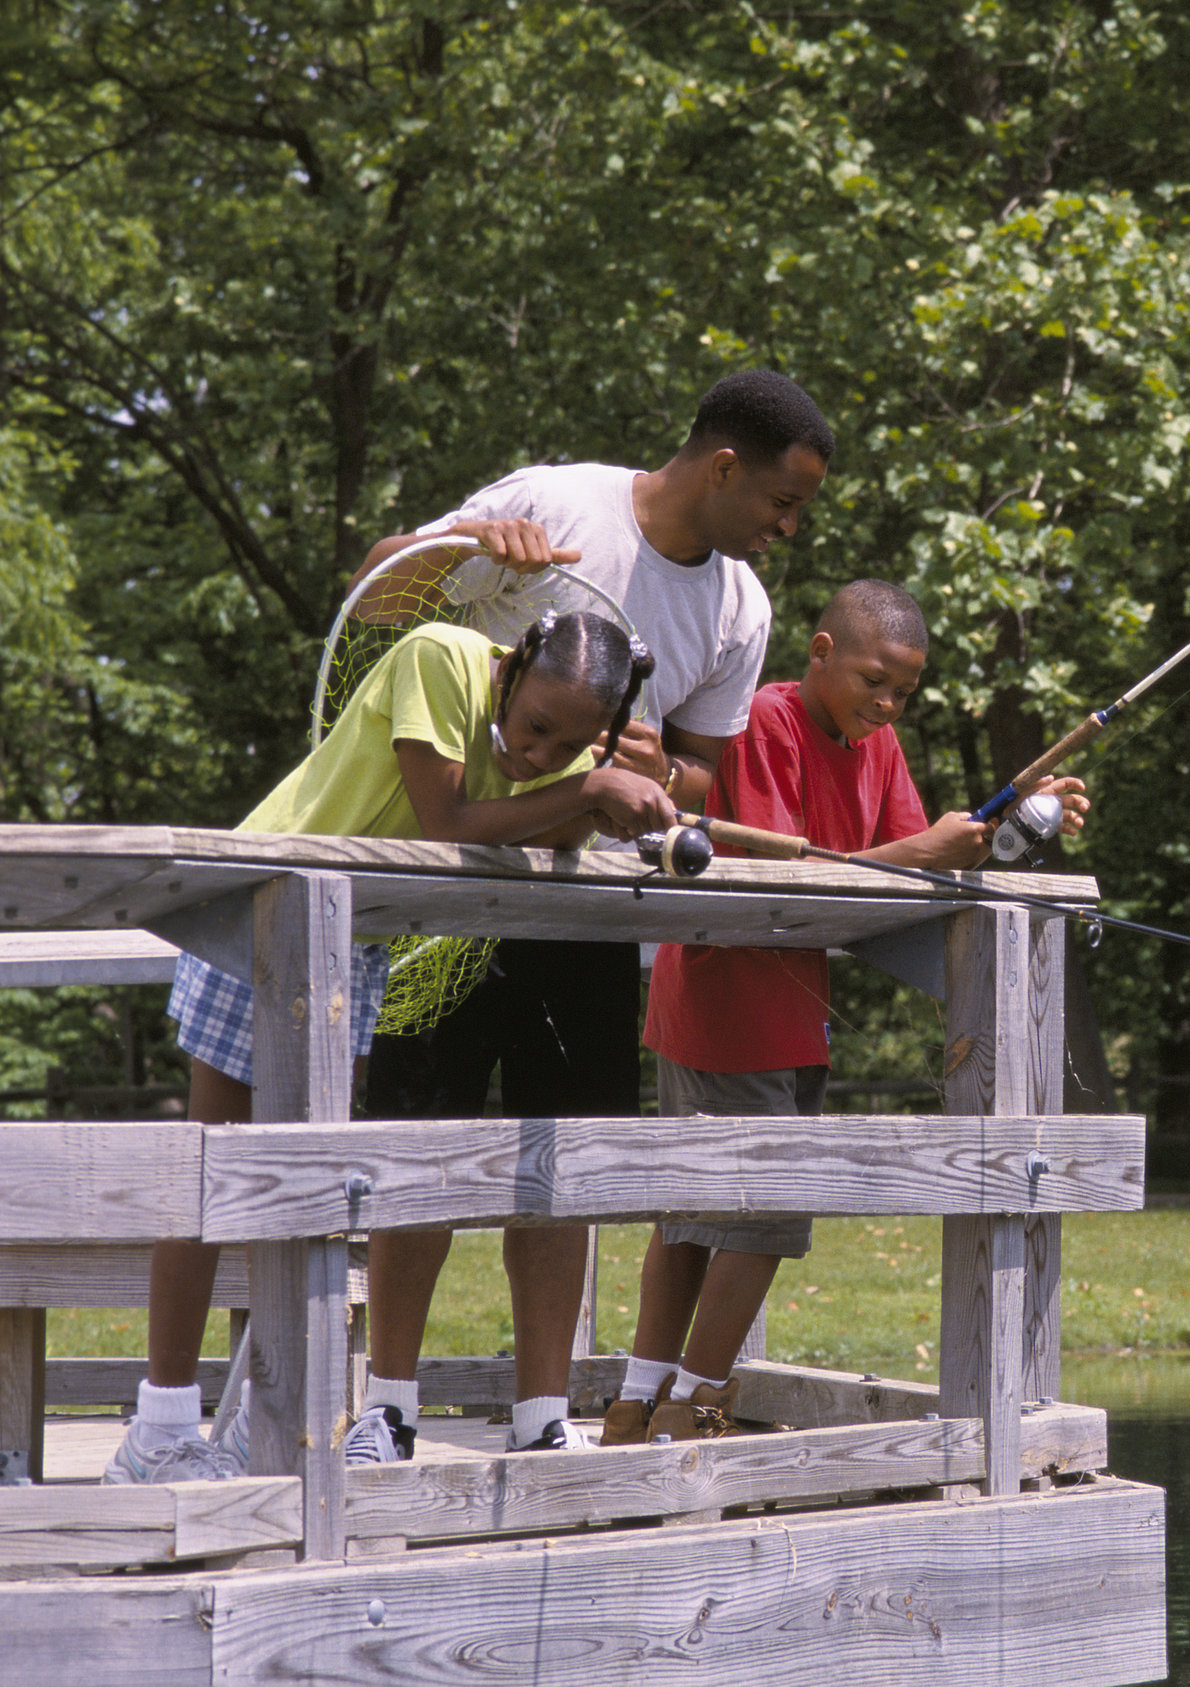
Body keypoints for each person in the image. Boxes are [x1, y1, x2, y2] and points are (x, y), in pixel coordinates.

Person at [346, 370, 834, 1459]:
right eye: (780, 503)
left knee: (559, 1167)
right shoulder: (562, 503)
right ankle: (387, 1406)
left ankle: (538, 1418)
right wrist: (469, 542)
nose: (788, 529)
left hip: (592, 908)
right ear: (722, 468)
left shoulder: (740, 608)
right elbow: (375, 588)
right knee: (424, 1154)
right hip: (453, 894)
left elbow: (708, 775)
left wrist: (670, 767)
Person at [110, 614, 671, 1482]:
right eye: (533, 728)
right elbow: (449, 815)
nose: (536, 754)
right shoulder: (438, 658)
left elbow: (541, 828)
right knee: (216, 1180)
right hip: (263, 902)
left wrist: (604, 785)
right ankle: (157, 1431)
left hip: (351, 934)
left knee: (302, 1188)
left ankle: (254, 1429)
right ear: (515, 665)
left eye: (567, 743)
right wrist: (589, 792)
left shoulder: (558, 758)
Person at [600, 580, 1088, 1443]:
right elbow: (790, 876)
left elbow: (903, 878)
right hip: (724, 998)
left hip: (790, 1014)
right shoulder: (765, 721)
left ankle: (639, 1407)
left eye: (904, 690)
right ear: (820, 653)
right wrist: (925, 846)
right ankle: (690, 1405)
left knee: (701, 1214)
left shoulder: (881, 746)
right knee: (752, 1215)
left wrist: (1007, 826)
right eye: (873, 680)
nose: (888, 704)